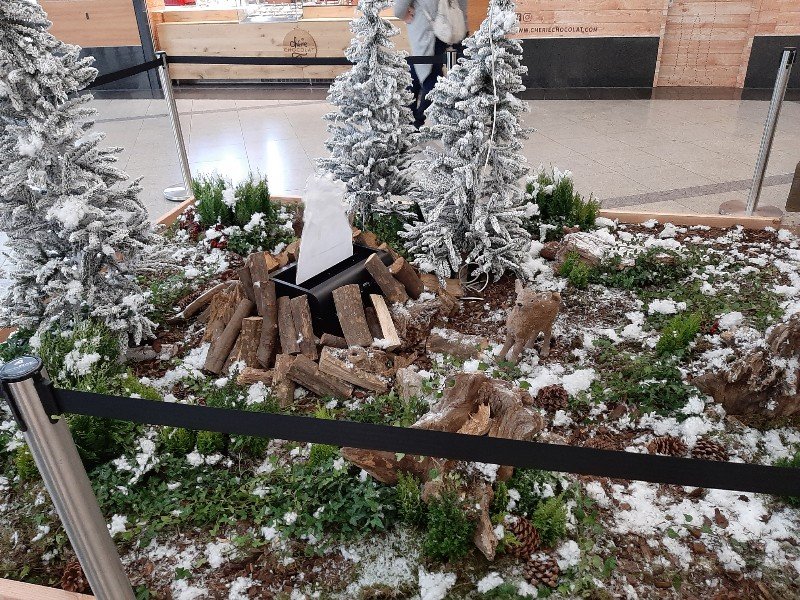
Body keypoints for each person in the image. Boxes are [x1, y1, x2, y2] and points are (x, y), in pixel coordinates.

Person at [394, 0, 468, 128]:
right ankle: (412, 121)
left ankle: (413, 121)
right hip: (443, 28)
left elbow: (399, 9)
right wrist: (463, 28)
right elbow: (462, 6)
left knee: (426, 78)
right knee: (422, 75)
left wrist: (403, 14)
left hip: (426, 31)